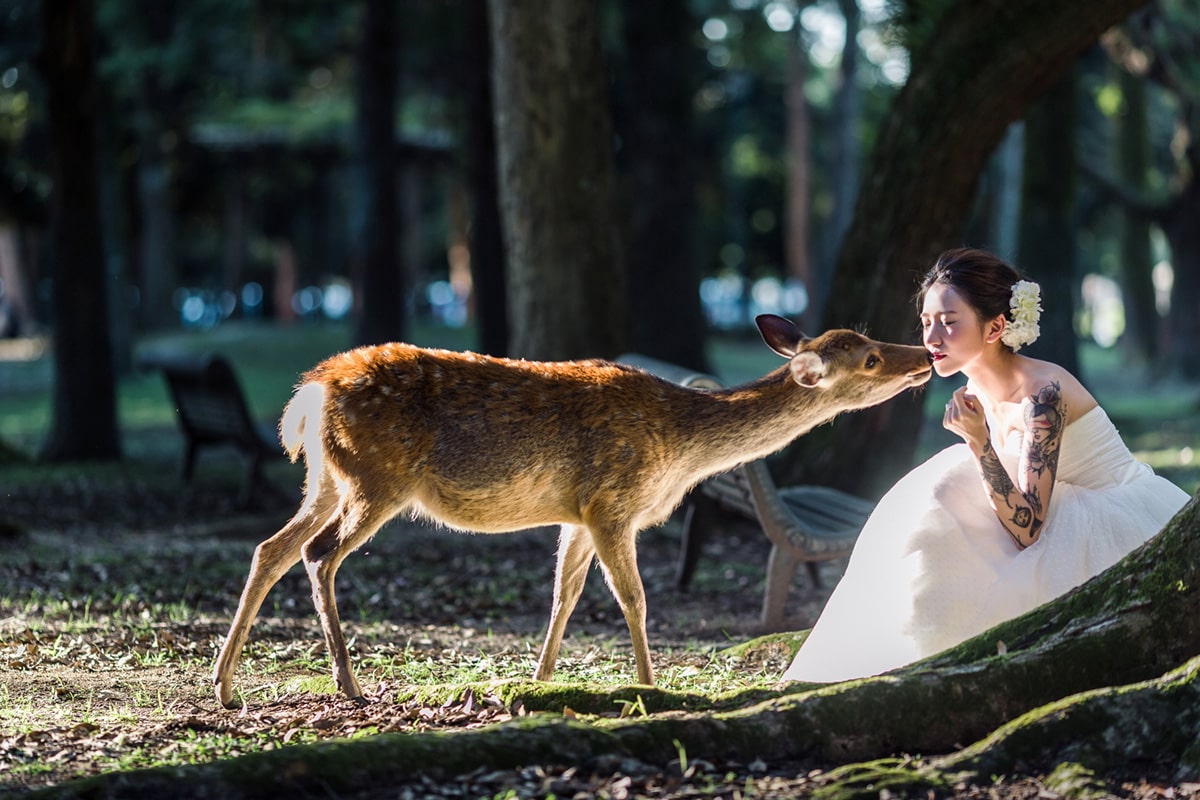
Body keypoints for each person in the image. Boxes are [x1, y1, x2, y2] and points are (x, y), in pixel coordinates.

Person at [780, 247, 1189, 683]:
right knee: (937, 500)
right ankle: (892, 649)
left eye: (949, 322)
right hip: (1050, 510)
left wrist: (978, 442)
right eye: (926, 322)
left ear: (995, 327)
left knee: (950, 485)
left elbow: (1029, 528)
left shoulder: (1042, 395)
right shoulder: (976, 384)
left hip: (1113, 523)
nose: (932, 339)